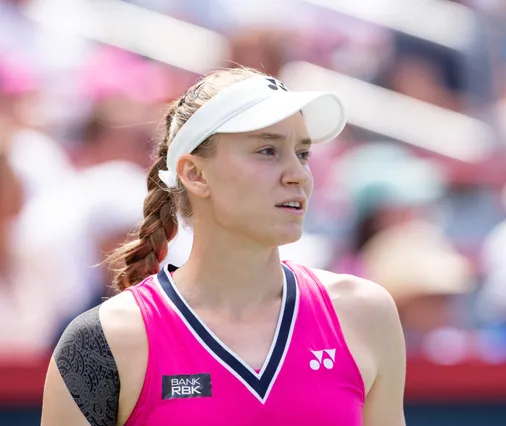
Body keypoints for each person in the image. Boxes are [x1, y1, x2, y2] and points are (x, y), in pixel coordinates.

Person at [41, 68, 406, 426]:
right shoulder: (103, 341)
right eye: (267, 150)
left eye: (303, 153)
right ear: (195, 174)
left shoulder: (366, 314)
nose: (298, 174)